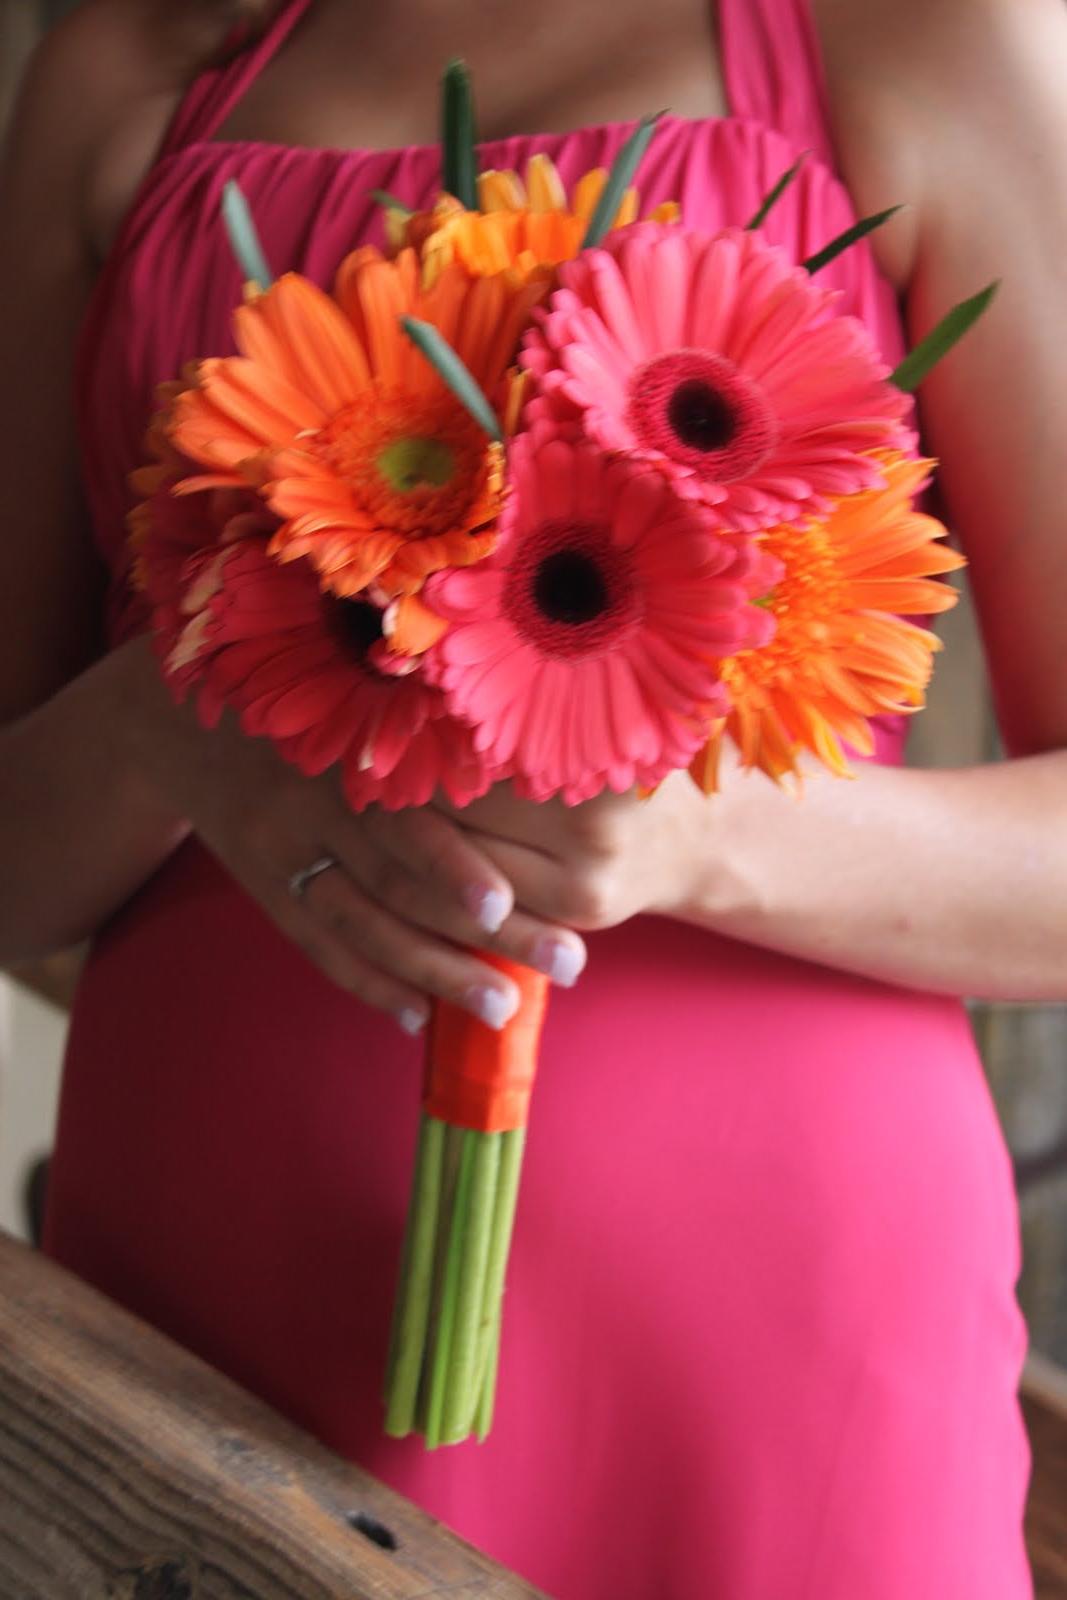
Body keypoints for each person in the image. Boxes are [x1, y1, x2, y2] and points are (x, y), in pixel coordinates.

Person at [1, 0, 1065, 1593]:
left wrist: (706, 829)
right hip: (200, 1314)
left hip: (769, 1331)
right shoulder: (131, 59)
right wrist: (179, 714)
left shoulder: (918, 38)